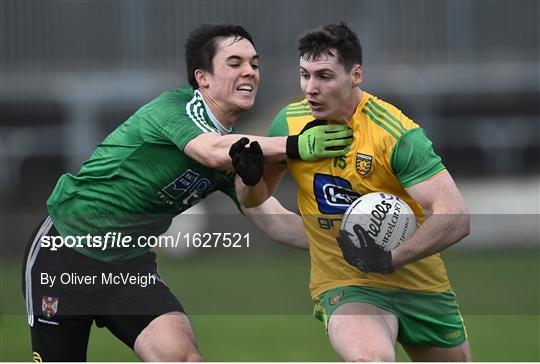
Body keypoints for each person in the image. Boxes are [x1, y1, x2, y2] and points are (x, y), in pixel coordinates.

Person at [22, 23, 352, 362]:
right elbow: (209, 150)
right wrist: (296, 145)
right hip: (66, 252)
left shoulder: (236, 149)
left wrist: (344, 242)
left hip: (128, 267)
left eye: (254, 63)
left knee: (183, 357)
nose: (249, 72)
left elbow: (272, 219)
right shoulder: (176, 109)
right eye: (235, 63)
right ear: (202, 77)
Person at [233, 23, 471, 361]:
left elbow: (456, 216)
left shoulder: (395, 133)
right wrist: (249, 178)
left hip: (420, 285)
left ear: (355, 75)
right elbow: (253, 199)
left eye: (324, 76)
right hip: (345, 284)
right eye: (304, 74)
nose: (310, 88)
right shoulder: (290, 124)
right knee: (370, 358)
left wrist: (389, 258)